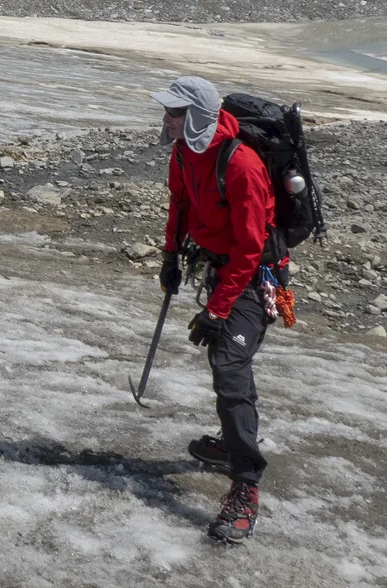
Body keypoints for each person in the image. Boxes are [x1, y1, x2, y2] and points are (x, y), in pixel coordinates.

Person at [153, 75, 273, 544]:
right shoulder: (184, 152)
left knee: (228, 364)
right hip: (217, 267)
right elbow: (179, 203)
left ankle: (246, 485)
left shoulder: (241, 164)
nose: (167, 119)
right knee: (230, 366)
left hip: (250, 276)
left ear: (197, 116)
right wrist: (169, 255)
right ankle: (231, 440)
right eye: (168, 111)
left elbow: (250, 247)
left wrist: (219, 310)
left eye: (176, 112)